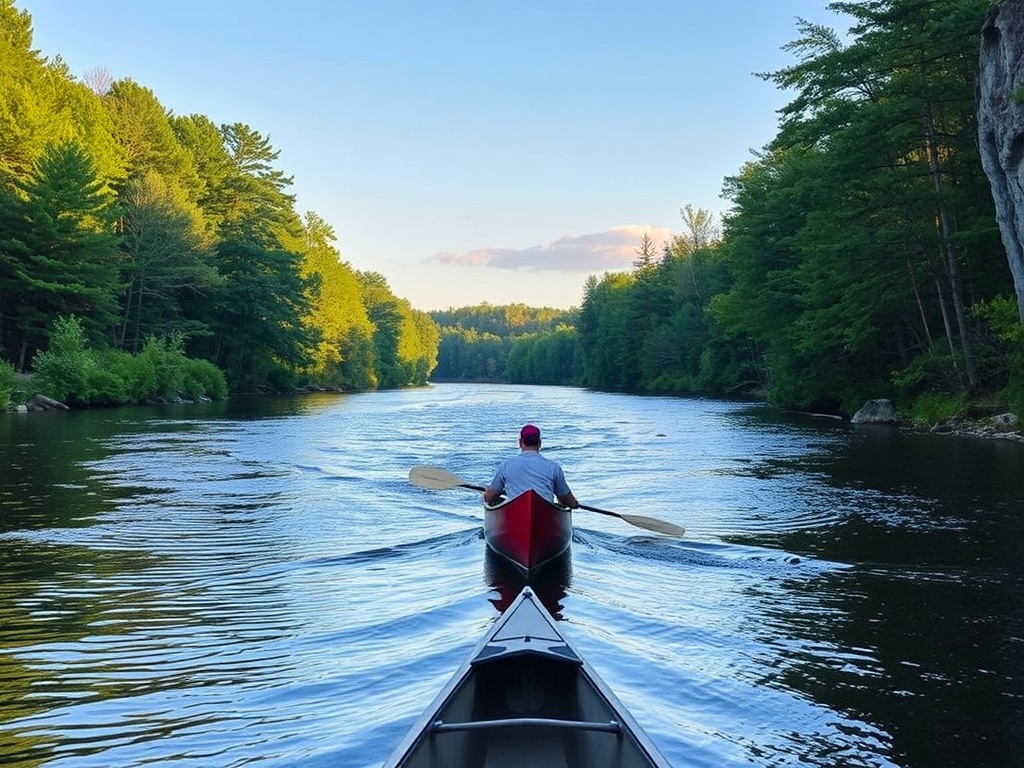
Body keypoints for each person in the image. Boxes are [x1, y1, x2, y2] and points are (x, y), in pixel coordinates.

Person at [483, 424, 579, 508]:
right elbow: (567, 499)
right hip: (546, 512)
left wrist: (488, 492)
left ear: (520, 442)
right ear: (539, 443)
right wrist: (574, 504)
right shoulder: (554, 468)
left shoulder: (505, 466)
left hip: (515, 511)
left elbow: (489, 497)